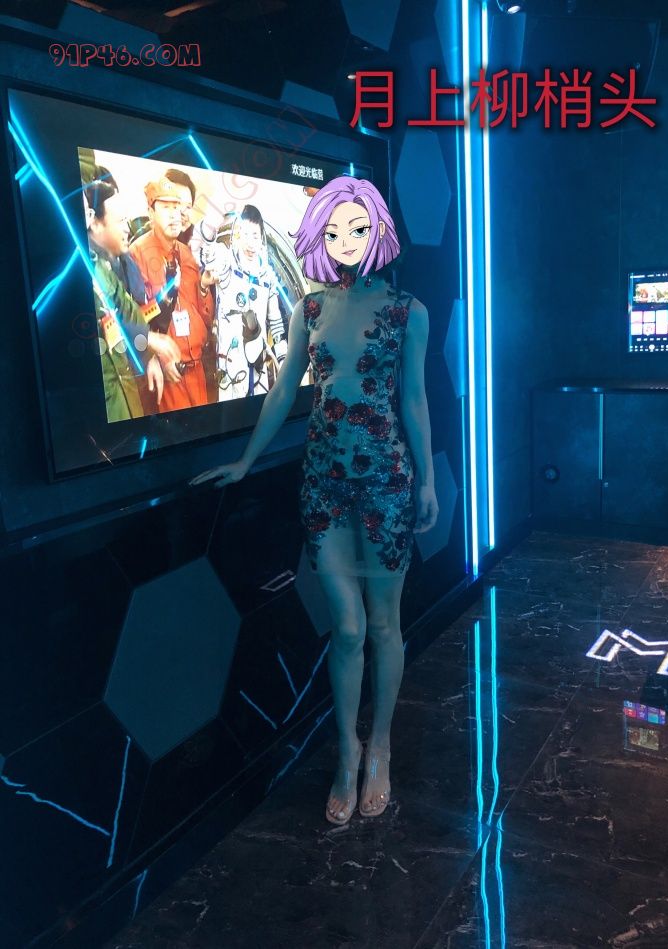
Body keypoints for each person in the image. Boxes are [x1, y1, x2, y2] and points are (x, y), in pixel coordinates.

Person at [190, 177, 438, 825]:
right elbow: (282, 390)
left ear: (377, 230)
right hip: (323, 482)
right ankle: (347, 751)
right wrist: (246, 459)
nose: (345, 240)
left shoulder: (409, 311)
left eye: (356, 228)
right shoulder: (309, 307)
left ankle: (380, 746)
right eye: (333, 230)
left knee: (383, 625)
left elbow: (414, 398)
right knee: (347, 627)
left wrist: (428, 482)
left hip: (386, 482)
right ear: (318, 236)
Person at [83, 173, 182, 421]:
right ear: (95, 222)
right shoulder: (89, 267)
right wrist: (149, 340)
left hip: (129, 384)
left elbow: (130, 311)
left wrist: (148, 353)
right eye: (120, 221)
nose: (127, 228)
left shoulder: (121, 262)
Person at [130, 175, 217, 412]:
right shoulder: (137, 253)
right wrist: (155, 357)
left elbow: (204, 316)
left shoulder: (187, 253)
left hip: (197, 368)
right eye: (166, 208)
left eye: (177, 207)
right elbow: (133, 318)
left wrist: (203, 287)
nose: (174, 215)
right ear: (150, 213)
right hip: (168, 374)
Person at [207, 205, 288, 400]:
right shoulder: (226, 263)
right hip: (230, 361)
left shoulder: (267, 275)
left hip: (258, 360)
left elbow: (275, 320)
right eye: (246, 234)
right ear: (238, 234)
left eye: (255, 236)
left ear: (262, 237)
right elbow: (209, 258)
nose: (251, 243)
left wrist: (283, 359)